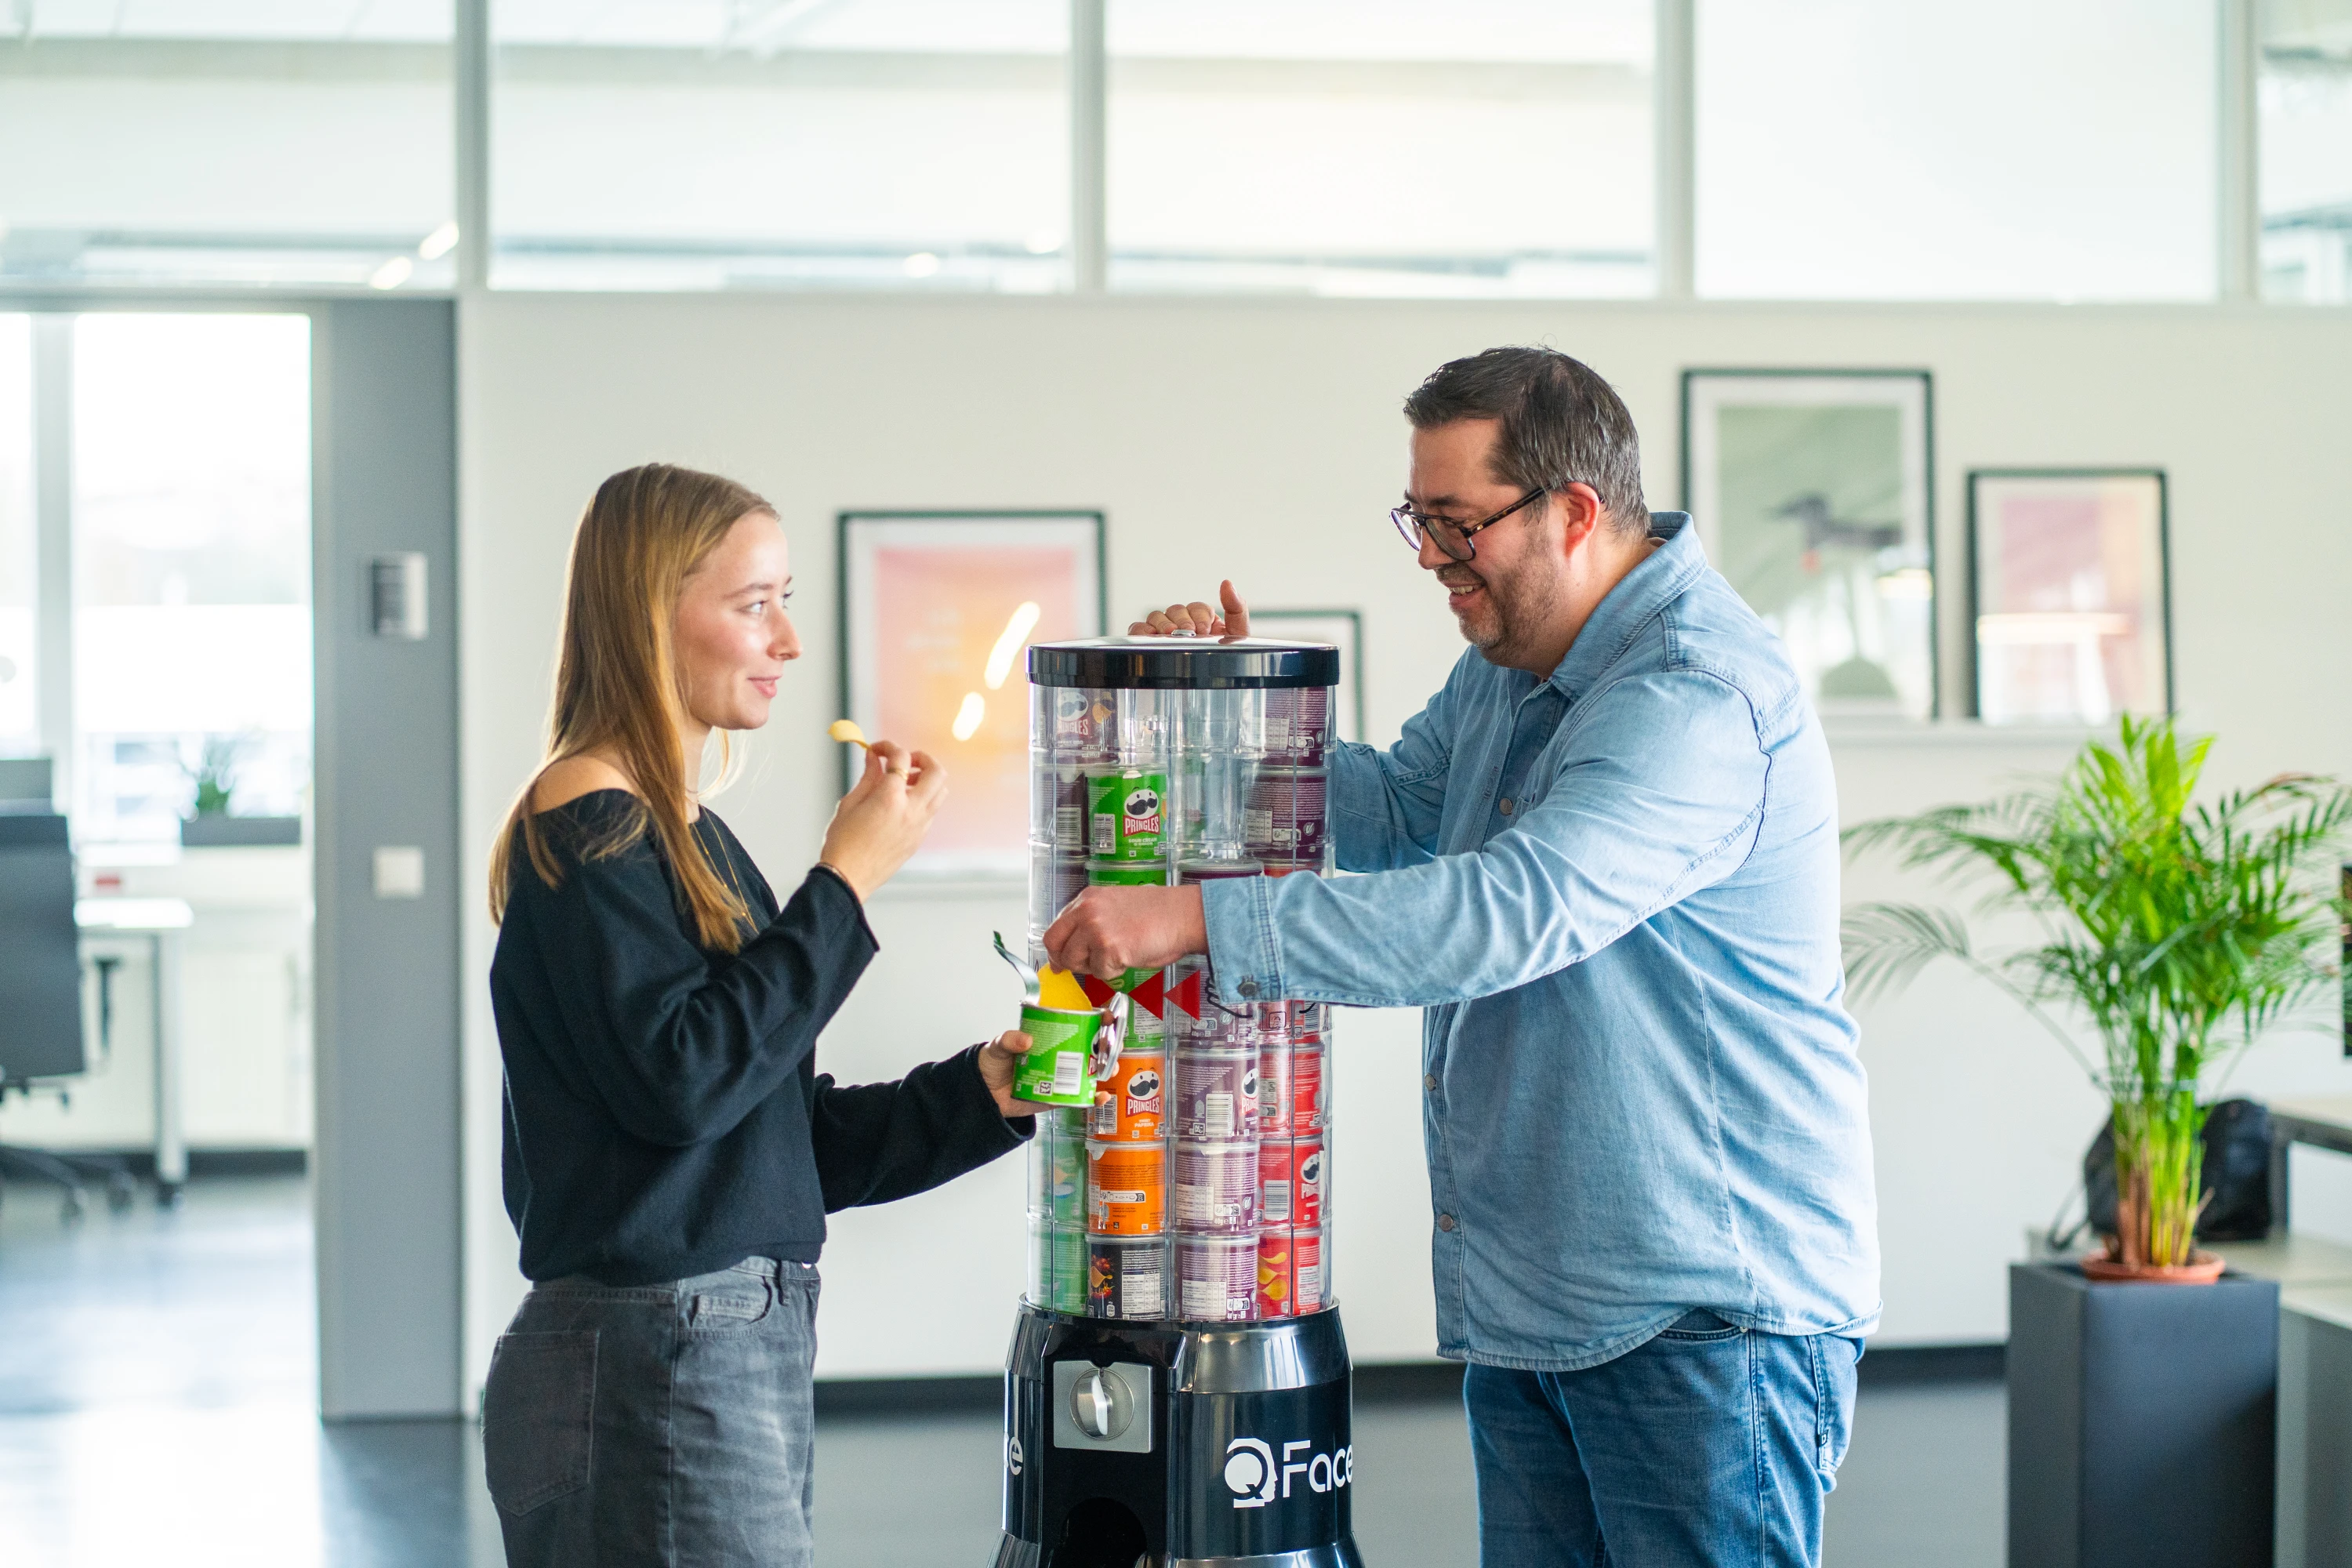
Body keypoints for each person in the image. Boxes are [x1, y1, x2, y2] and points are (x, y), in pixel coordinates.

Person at [1044, 347, 1879, 1567]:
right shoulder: (1513, 668)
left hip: (1706, 1322)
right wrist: (1227, 715)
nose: (1434, 558)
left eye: (1457, 524)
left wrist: (1200, 922)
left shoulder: (1694, 698)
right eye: (1418, 522)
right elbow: (1387, 809)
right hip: (1542, 1308)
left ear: (1575, 514)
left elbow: (1504, 914)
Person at [482, 463, 1036, 1566]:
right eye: (754, 604)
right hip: (663, 1352)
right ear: (650, 615)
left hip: (716, 1345)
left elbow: (769, 1142)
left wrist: (980, 1095)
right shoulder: (589, 824)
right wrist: (844, 881)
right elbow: (684, 1083)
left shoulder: (686, 836)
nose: (786, 642)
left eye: (785, 601)